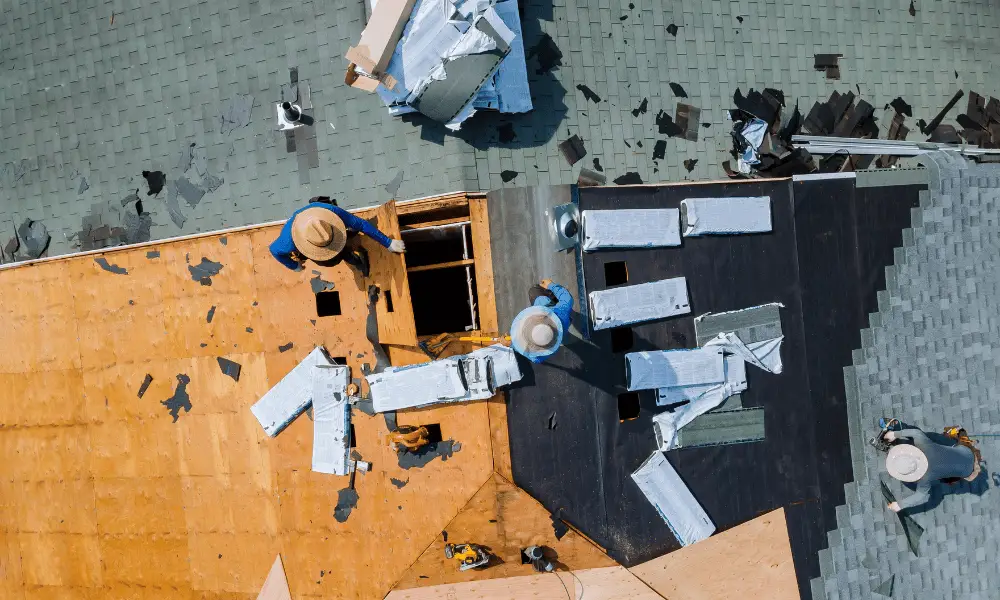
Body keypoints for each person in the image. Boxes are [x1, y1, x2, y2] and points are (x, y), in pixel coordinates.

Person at [269, 197, 405, 276]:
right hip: (306, 235)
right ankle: (354, 259)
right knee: (330, 261)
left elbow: (362, 224)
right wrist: (294, 266)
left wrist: (388, 243)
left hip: (322, 216)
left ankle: (347, 236)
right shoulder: (288, 242)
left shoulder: (331, 211)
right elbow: (274, 251)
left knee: (353, 225)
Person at [884, 426, 981, 513]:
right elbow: (916, 432)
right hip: (966, 452)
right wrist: (894, 434)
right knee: (932, 437)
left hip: (968, 472)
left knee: (944, 476)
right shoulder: (923, 443)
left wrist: (900, 505)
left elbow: (920, 495)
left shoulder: (925, 478)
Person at [510, 279, 573, 363]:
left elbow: (536, 359)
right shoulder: (561, 314)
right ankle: (553, 296)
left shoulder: (543, 352)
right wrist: (551, 285)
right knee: (534, 290)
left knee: (534, 291)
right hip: (560, 316)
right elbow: (567, 298)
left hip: (557, 318)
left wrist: (510, 345)